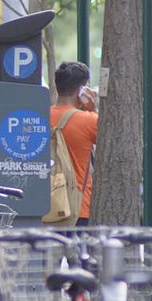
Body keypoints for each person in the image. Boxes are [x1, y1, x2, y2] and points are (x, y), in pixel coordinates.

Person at [50, 61, 98, 225]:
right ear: (81, 90)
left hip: (47, 206)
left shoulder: (40, 116)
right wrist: (92, 110)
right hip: (78, 208)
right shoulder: (89, 120)